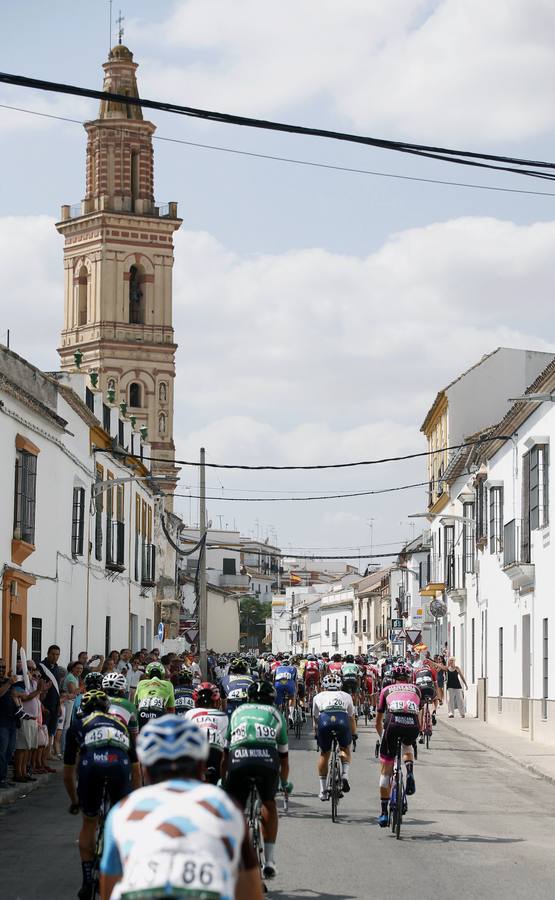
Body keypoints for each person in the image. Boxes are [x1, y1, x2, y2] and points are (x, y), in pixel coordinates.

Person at [99, 716, 264, 900]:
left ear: (145, 769)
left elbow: (108, 886)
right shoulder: (224, 805)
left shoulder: (122, 811)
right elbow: (251, 888)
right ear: (202, 766)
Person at [64, 690, 139, 900]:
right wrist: (133, 800)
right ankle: (122, 874)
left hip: (92, 767)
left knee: (89, 821)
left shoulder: (77, 726)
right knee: (122, 823)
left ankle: (87, 879)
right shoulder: (120, 724)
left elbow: (68, 774)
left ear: (83, 710)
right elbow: (136, 768)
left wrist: (75, 801)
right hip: (120, 765)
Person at [224, 680, 291, 880]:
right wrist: (284, 783)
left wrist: (223, 780)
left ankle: (232, 855)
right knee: (269, 803)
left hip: (239, 759)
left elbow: (225, 753)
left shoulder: (237, 712)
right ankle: (269, 861)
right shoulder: (276, 714)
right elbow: (284, 759)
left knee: (234, 807)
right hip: (266, 759)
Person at [375, 664, 422, 828]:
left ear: (393, 678)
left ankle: (383, 813)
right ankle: (409, 772)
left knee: (386, 770)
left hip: (392, 723)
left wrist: (383, 737)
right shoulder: (416, 689)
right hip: (412, 724)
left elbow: (378, 720)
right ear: (408, 678)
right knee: (407, 746)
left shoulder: (386, 690)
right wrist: (419, 730)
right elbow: (419, 712)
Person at [312, 672, 356, 799]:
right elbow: (351, 718)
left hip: (325, 720)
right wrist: (354, 734)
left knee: (324, 753)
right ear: (339, 685)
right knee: (344, 748)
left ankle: (323, 790)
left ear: (324, 685)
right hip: (342, 720)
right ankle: (344, 776)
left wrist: (316, 733)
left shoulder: (318, 696)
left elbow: (315, 718)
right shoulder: (346, 696)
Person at [184, 682, 228, 784]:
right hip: (215, 751)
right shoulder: (223, 716)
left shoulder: (189, 713)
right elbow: (226, 746)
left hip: (196, 750)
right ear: (216, 701)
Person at [134, 661, 175, 729]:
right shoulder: (169, 684)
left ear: (148, 674)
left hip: (142, 712)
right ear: (162, 674)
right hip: (159, 712)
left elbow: (135, 705)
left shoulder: (141, 683)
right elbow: (171, 709)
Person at [40, 644, 63, 762]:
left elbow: (57, 689)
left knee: (51, 732)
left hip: (55, 704)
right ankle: (40, 760)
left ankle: (47, 756)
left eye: (57, 654)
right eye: (53, 654)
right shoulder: (41, 667)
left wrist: (59, 705)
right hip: (45, 704)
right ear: (48, 654)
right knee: (42, 733)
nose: (55, 657)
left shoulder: (56, 668)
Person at [102, 673, 139, 745]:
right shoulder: (129, 705)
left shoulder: (96, 700)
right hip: (119, 741)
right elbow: (134, 734)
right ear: (122, 690)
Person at [0, 658, 18, 789]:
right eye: (0, 667)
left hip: (11, 721)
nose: (2, 669)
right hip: (1, 723)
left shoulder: (7, 681)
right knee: (1, 752)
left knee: (9, 751)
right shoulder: (6, 683)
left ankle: (4, 777)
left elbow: (14, 696)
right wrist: (9, 683)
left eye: (3, 667)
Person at [272, 655, 297, 725]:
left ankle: (278, 717)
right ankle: (291, 715)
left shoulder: (277, 668)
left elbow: (273, 679)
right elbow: (295, 681)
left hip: (278, 684)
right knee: (292, 697)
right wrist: (295, 692)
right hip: (289, 683)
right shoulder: (293, 668)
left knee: (278, 702)